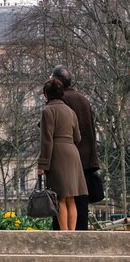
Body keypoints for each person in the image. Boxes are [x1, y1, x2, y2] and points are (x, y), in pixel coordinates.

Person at [51, 65, 101, 230]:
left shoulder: (60, 101)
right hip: (85, 160)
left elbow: (50, 130)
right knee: (81, 207)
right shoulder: (83, 100)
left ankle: (64, 242)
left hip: (65, 161)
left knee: (61, 201)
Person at [37, 77, 88, 231]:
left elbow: (47, 140)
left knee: (60, 198)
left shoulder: (47, 111)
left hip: (57, 154)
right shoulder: (70, 111)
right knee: (71, 198)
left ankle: (64, 233)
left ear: (46, 94)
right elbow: (77, 137)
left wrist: (42, 165)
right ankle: (72, 233)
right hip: (72, 153)